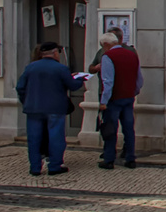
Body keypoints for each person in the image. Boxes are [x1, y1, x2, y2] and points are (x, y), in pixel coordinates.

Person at [16, 42, 85, 176]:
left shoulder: (30, 67)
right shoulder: (60, 68)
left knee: (34, 138)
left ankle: (35, 167)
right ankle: (54, 165)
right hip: (55, 108)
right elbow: (73, 86)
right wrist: (80, 79)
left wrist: (27, 102)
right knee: (55, 137)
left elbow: (20, 87)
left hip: (34, 108)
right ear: (55, 53)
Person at [96, 31, 142, 169]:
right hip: (128, 97)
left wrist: (103, 101)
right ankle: (131, 158)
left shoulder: (108, 56)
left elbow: (108, 81)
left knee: (111, 129)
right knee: (129, 129)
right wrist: (134, 91)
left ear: (106, 44)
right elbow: (139, 78)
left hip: (114, 99)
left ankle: (109, 159)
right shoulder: (132, 54)